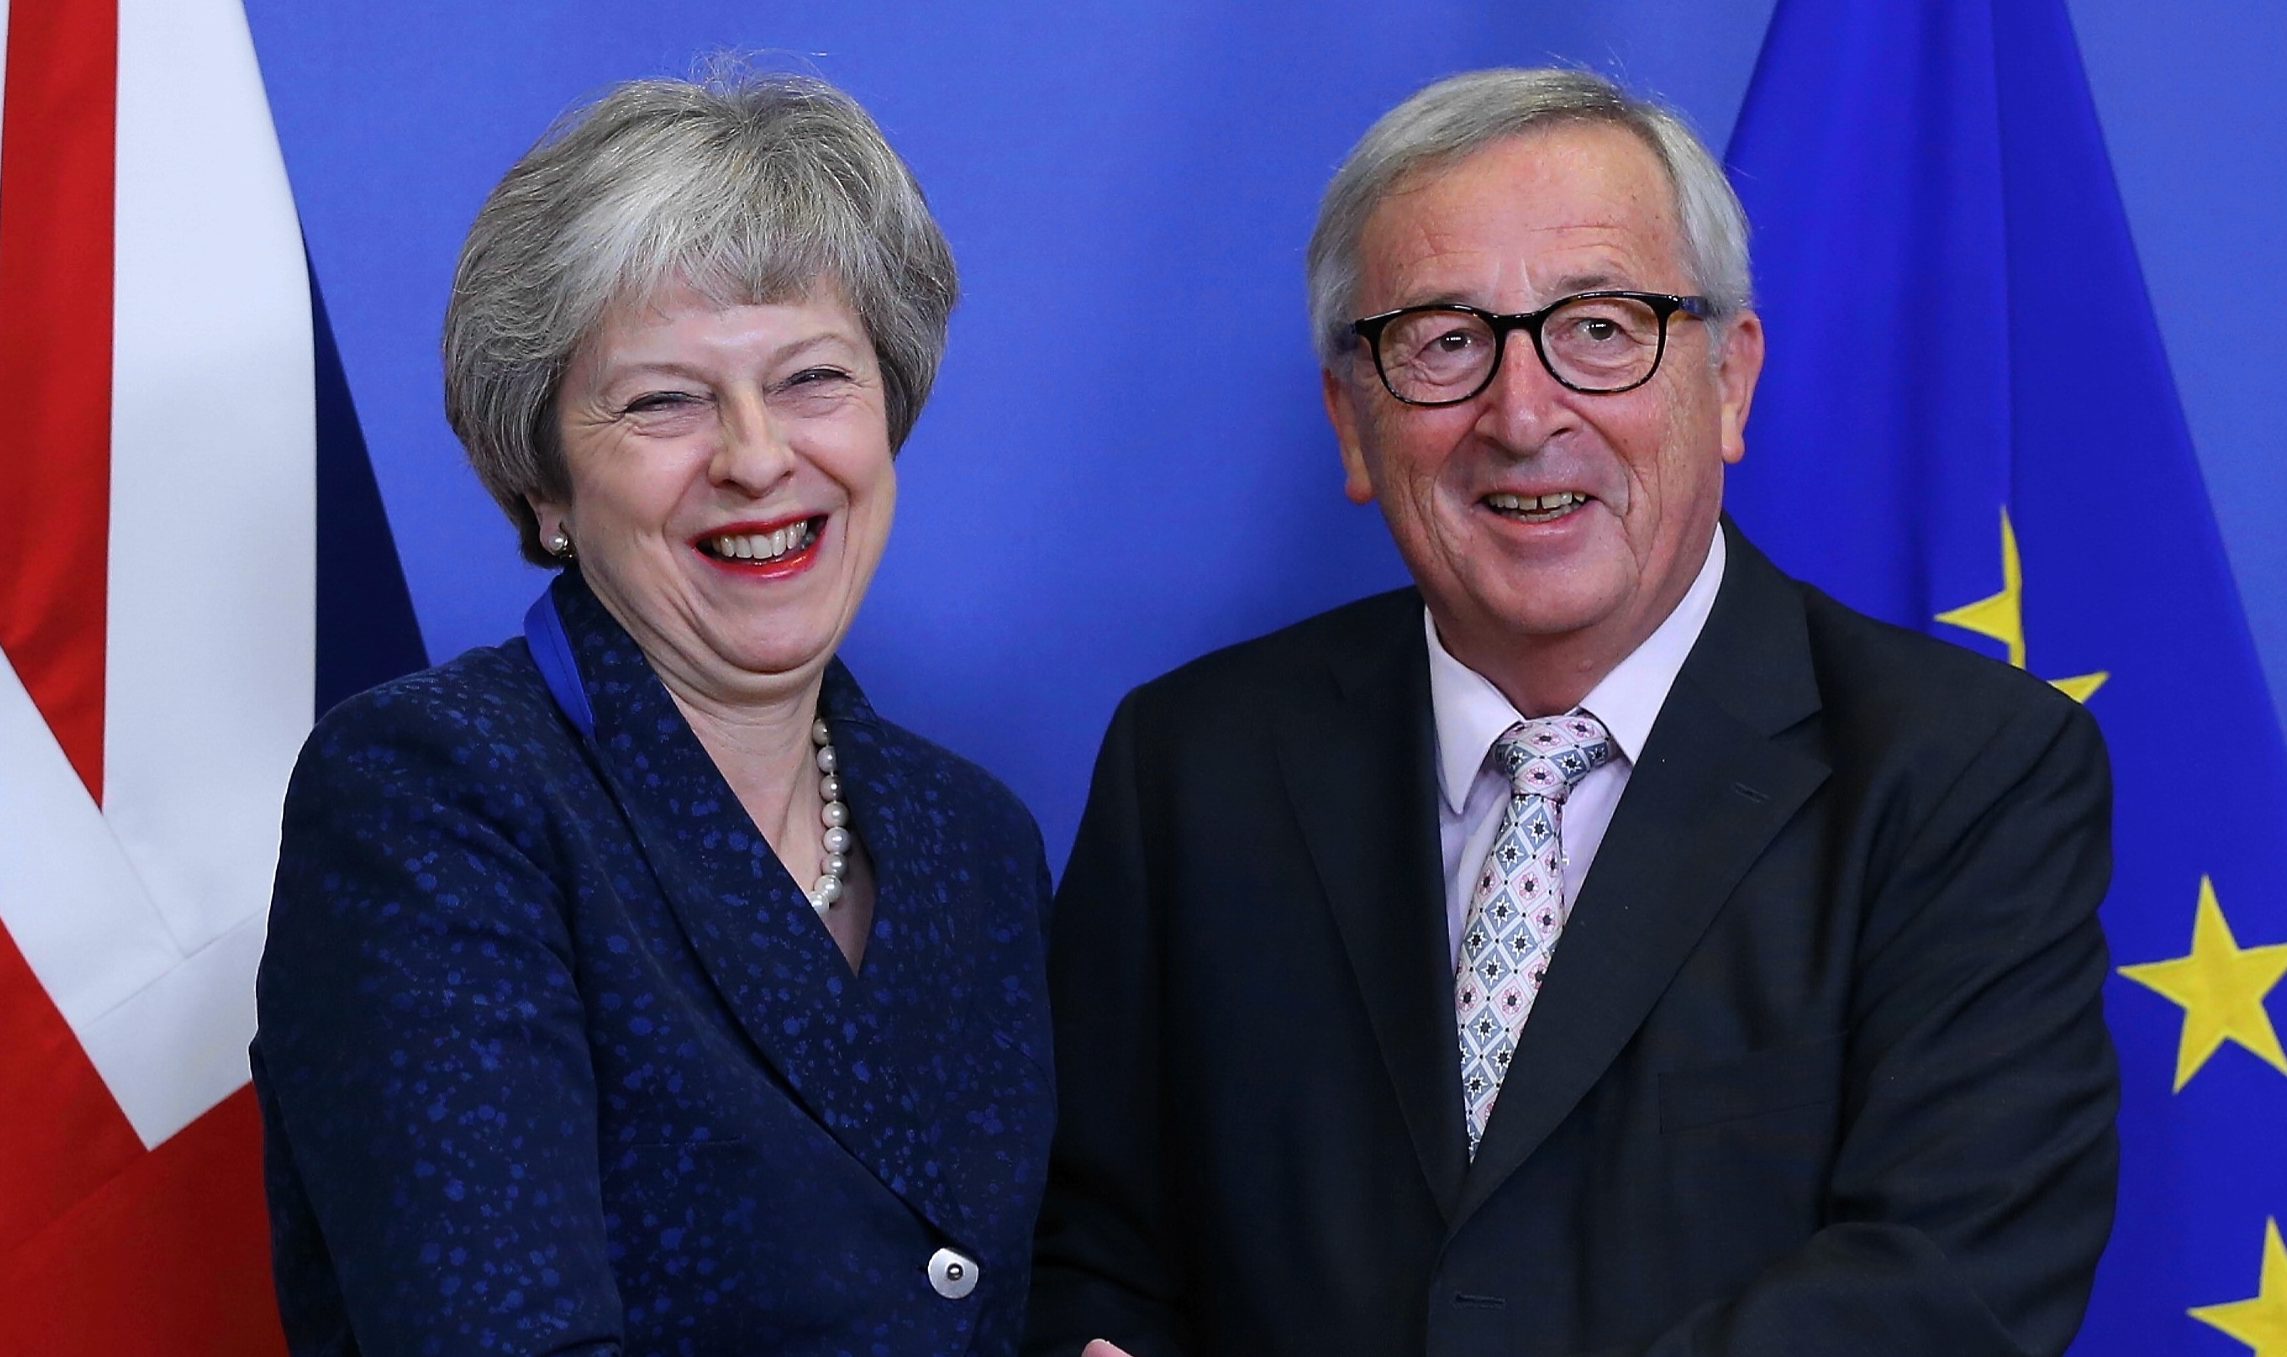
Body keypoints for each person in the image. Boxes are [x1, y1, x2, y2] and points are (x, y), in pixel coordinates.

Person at [1026, 68, 2116, 1357]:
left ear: (1728, 382)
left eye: (1601, 327)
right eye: (1442, 340)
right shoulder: (1192, 766)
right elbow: (1086, 1249)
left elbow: (1943, 1286)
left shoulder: (1964, 770)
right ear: (1352, 426)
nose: (1524, 413)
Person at [253, 72, 1054, 1356]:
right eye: (664, 400)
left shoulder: (973, 837)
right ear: (545, 481)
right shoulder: (434, 797)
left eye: (810, 378)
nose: (753, 455)